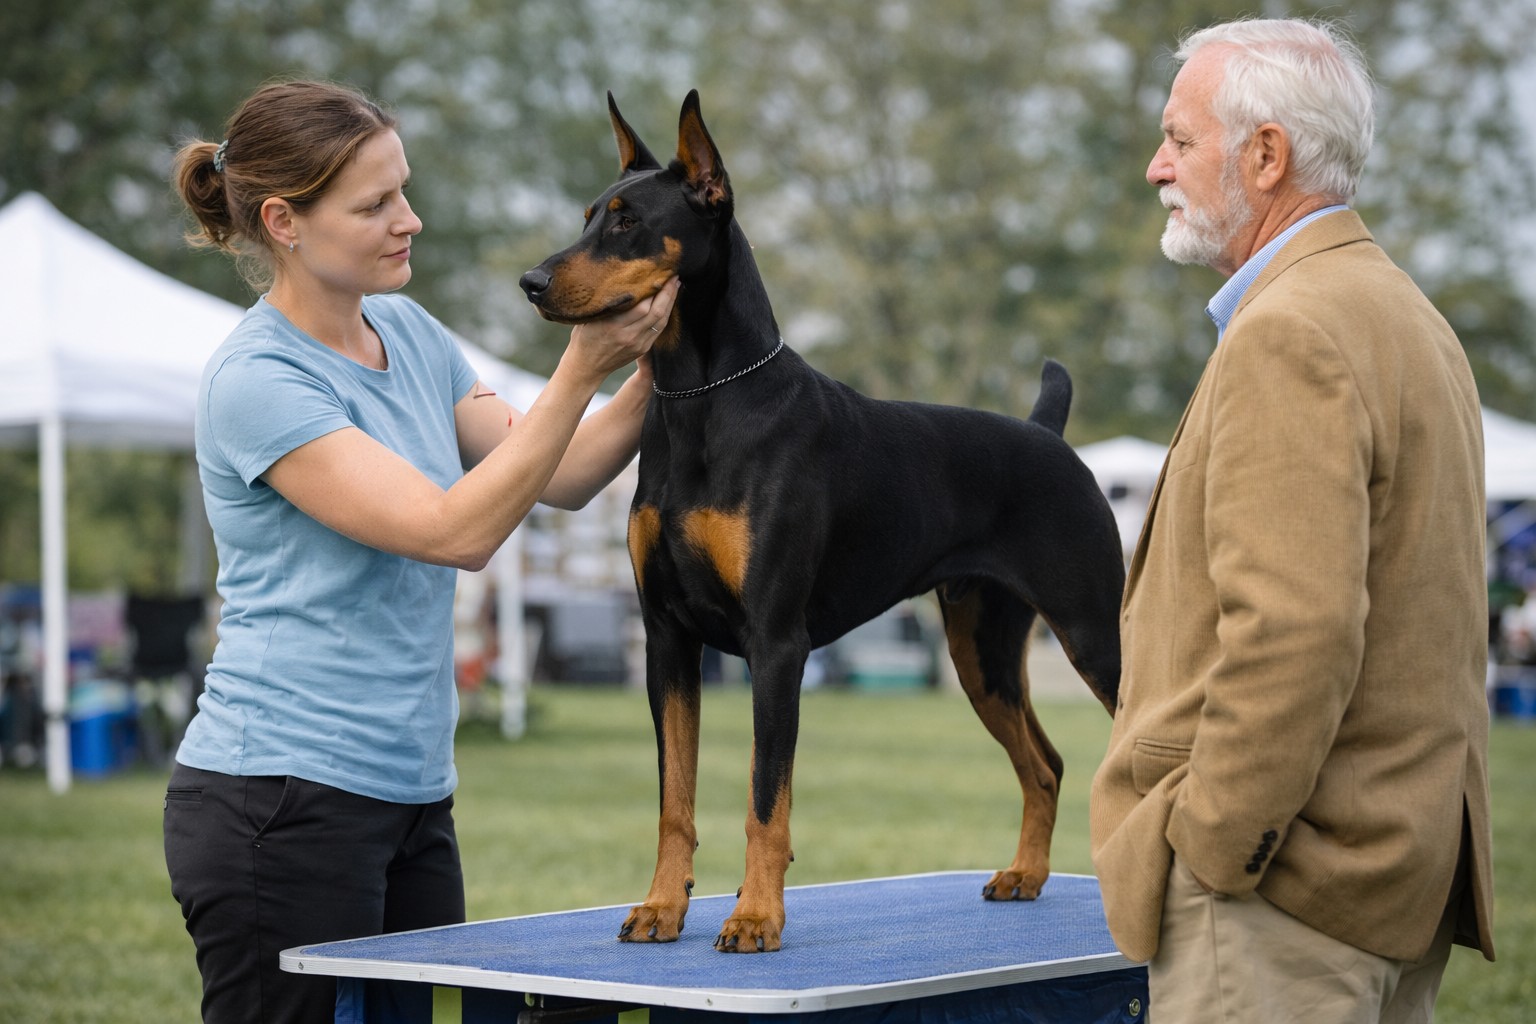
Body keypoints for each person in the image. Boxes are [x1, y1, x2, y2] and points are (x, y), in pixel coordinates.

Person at [164, 79, 679, 1023]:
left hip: (411, 796)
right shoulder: (259, 380)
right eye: (375, 204)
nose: (412, 219)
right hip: (279, 802)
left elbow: (559, 472)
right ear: (284, 220)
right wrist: (580, 362)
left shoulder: (404, 327)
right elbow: (458, 530)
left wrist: (665, 351)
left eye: (403, 189)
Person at [1089, 18, 1496, 1022]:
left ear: (1265, 154)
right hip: (1394, 879)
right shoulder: (1409, 314)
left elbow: (1296, 632)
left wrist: (1216, 844)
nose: (1156, 167)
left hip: (1282, 905)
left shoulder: (1290, 330)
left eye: (1179, 139)